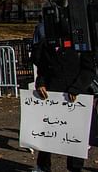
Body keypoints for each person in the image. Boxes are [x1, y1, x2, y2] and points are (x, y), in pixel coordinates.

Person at [32, 30, 95, 171]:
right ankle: (42, 166)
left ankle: (75, 168)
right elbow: (42, 68)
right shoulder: (47, 43)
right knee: (47, 132)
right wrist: (40, 83)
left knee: (75, 135)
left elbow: (89, 70)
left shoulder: (81, 44)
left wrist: (76, 88)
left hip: (75, 98)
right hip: (51, 96)